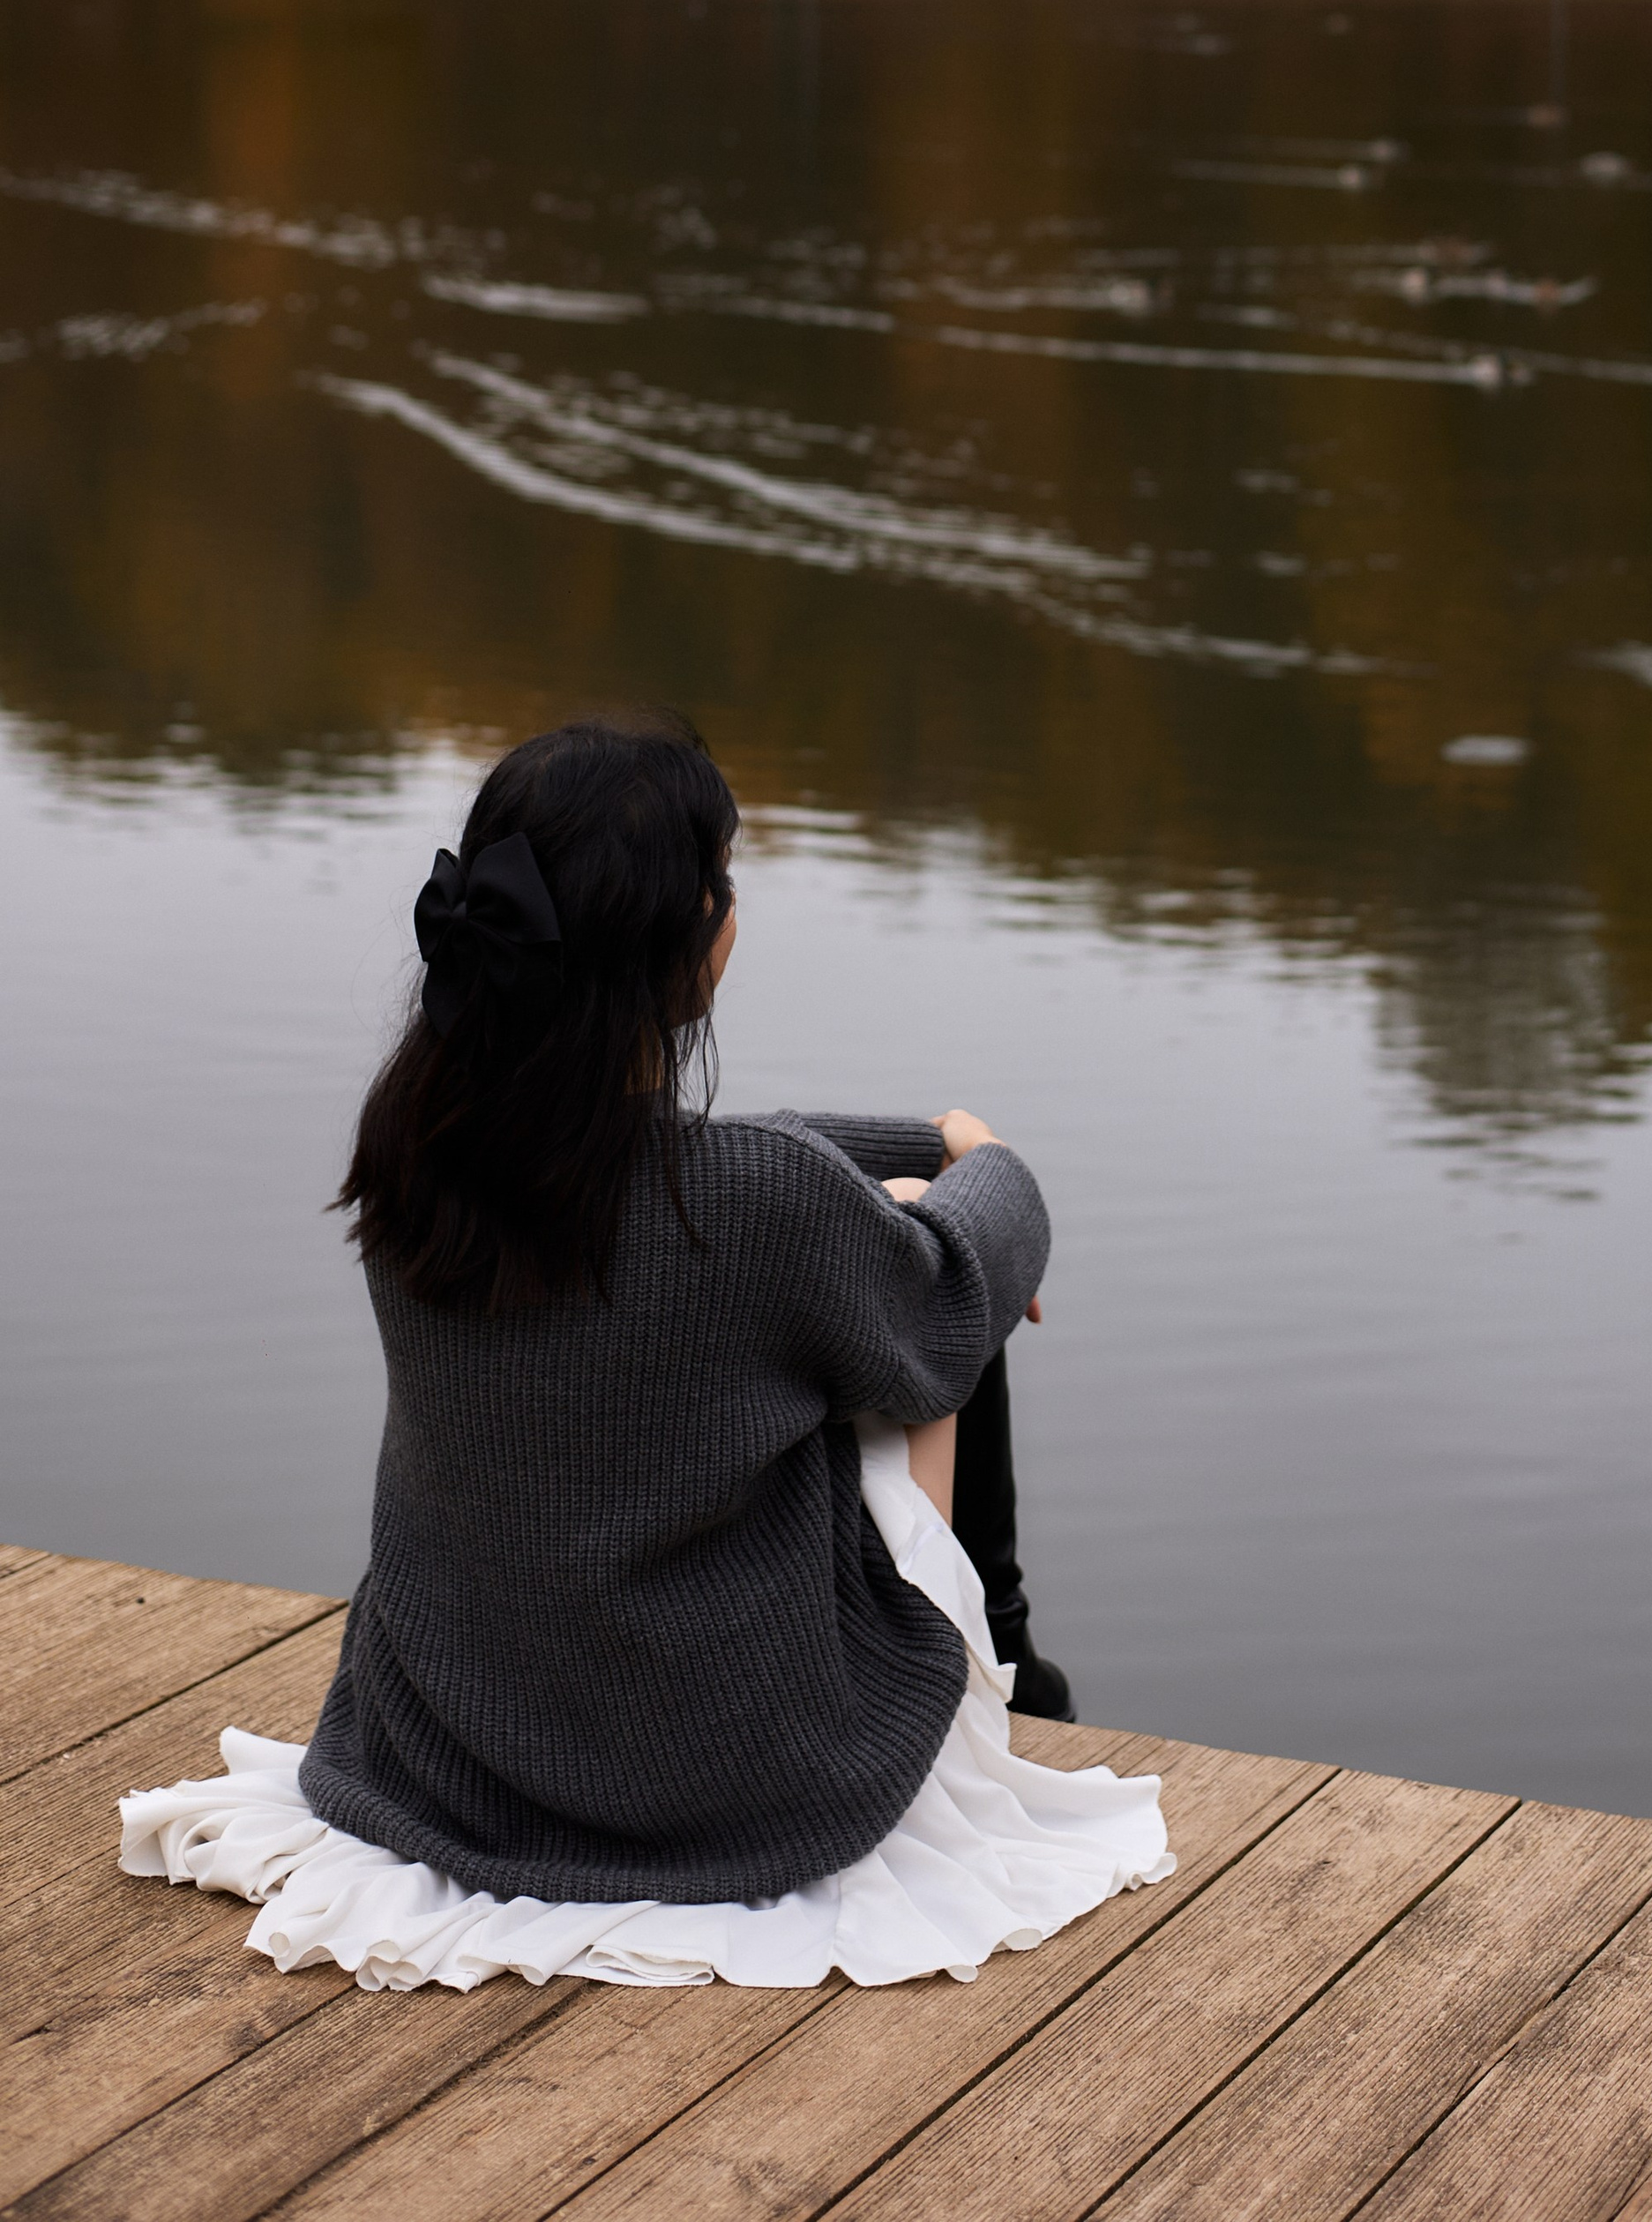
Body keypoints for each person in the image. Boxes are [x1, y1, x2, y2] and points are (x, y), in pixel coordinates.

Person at [117, 715, 1168, 1991]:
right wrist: (977, 1153)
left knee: (884, 1246)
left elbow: (723, 1162)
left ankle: (1010, 1650)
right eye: (724, 882)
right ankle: (1006, 1660)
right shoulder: (752, 1205)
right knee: (928, 1292)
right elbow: (950, 1284)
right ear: (684, 952)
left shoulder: (418, 1144)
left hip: (452, 1739)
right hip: (721, 1769)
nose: (733, 908)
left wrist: (908, 1146)